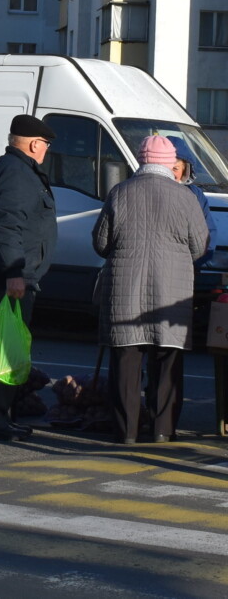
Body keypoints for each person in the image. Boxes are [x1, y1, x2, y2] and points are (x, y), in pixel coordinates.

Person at [93, 135, 208, 444]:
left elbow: (101, 244)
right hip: (170, 292)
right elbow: (200, 245)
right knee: (167, 361)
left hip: (124, 292)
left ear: (142, 160)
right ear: (171, 163)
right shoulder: (186, 197)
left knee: (126, 364)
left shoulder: (120, 192)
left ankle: (126, 432)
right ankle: (162, 429)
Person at [0, 114, 57, 442]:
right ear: (35, 144)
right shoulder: (17, 172)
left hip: (12, 276)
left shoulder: (15, 169)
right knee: (3, 354)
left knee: (7, 351)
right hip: (10, 279)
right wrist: (14, 272)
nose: (46, 150)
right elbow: (7, 225)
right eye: (46, 145)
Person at [167, 136, 216, 268]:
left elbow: (208, 234)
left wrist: (194, 263)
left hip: (187, 267)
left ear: (185, 170)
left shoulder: (195, 195)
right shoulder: (146, 189)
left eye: (175, 168)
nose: (170, 173)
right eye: (166, 167)